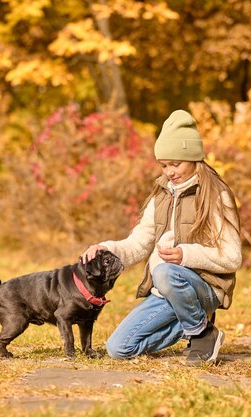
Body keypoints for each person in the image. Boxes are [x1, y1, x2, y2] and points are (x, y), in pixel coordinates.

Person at [81, 109, 242, 366]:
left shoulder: (216, 195)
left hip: (204, 286)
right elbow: (138, 243)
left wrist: (185, 256)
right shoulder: (161, 195)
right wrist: (106, 248)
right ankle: (197, 322)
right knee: (118, 348)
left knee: (166, 271)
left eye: (175, 164)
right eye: (164, 165)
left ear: (193, 158)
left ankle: (202, 334)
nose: (169, 172)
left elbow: (232, 258)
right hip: (166, 289)